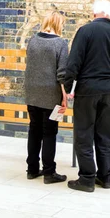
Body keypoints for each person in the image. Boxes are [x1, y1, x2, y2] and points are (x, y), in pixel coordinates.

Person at [64, 0, 110, 193]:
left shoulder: (85, 31)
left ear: (95, 13)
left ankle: (86, 178)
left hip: (86, 90)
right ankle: (105, 177)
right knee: (105, 135)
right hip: (107, 91)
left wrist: (69, 87)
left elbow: (74, 62)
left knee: (84, 134)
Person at [24, 10, 69, 184]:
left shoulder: (33, 40)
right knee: (49, 133)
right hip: (51, 93)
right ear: (58, 24)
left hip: (32, 92)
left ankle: (32, 169)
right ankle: (49, 172)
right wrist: (64, 97)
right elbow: (62, 74)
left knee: (34, 130)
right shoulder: (60, 43)